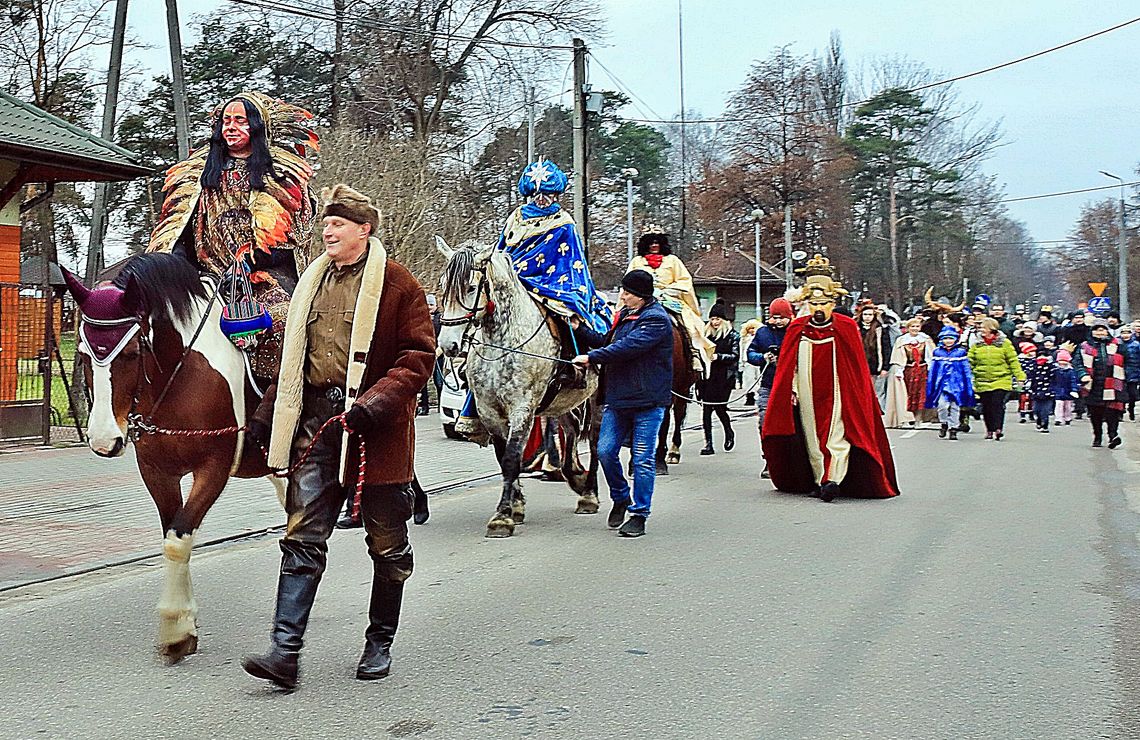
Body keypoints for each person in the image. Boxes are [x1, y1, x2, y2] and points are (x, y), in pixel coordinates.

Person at [242, 184, 435, 689]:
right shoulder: (311, 281)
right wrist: (267, 412)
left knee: (387, 547)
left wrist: (376, 403)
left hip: (378, 434)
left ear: (364, 229)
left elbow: (418, 358)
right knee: (301, 538)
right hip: (317, 429)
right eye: (325, 223)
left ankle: (379, 641)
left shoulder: (399, 284)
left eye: (338, 224)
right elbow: (295, 362)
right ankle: (284, 654)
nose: (327, 230)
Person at [762, 268, 900, 502]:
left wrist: (855, 394)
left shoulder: (845, 327)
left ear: (832, 302)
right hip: (807, 390)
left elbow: (856, 368)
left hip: (837, 390)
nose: (818, 308)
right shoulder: (797, 328)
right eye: (813, 303)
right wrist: (792, 389)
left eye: (824, 303)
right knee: (812, 436)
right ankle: (820, 479)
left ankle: (832, 478)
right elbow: (790, 365)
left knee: (836, 433)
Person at [571, 269, 673, 537]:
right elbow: (607, 341)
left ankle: (639, 514)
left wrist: (592, 358)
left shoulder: (657, 320)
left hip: (647, 402)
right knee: (605, 452)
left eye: (627, 292)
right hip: (618, 400)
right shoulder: (626, 316)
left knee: (642, 460)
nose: (623, 296)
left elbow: (628, 347)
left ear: (640, 295)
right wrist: (579, 329)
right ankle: (620, 496)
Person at [628, 227, 715, 372]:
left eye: (657, 242)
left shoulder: (673, 261)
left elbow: (685, 280)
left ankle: (694, 354)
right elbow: (629, 281)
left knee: (688, 324)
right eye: (651, 242)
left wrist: (667, 291)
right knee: (622, 323)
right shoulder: (637, 262)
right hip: (642, 300)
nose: (654, 245)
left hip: (668, 299)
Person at [747, 297, 793, 479]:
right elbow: (750, 353)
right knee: (765, 422)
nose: (779, 321)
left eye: (782, 317)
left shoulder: (795, 332)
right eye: (775, 317)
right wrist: (762, 357)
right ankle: (769, 459)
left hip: (791, 386)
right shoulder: (763, 333)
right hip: (768, 384)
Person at [968, 317, 1025, 441]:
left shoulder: (1005, 343)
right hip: (982, 379)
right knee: (986, 406)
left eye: (983, 328)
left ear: (991, 329)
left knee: (997, 404)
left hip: (1001, 379)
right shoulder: (976, 344)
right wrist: (967, 375)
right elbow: (970, 361)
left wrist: (1020, 376)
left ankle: (998, 428)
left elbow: (1013, 360)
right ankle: (989, 429)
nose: (981, 330)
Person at [699, 302, 739, 456]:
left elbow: (735, 356)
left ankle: (729, 432)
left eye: (717, 319)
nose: (714, 323)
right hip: (707, 376)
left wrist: (718, 357)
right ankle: (708, 443)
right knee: (706, 409)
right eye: (712, 319)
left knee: (720, 408)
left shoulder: (732, 335)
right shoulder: (706, 335)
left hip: (724, 376)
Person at [1078, 318, 1125, 449]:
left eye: (1102, 329)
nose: (1100, 332)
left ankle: (1113, 436)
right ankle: (1097, 436)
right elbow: (1078, 363)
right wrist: (1083, 375)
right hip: (1093, 385)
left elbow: (1128, 361)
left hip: (1113, 384)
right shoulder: (1085, 346)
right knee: (1096, 413)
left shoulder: (1118, 345)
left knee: (1113, 411)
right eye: (1097, 330)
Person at [925, 326, 974, 440]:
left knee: (955, 407)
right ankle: (944, 423)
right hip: (941, 385)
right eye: (945, 338)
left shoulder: (960, 352)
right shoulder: (937, 352)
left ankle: (953, 428)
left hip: (957, 384)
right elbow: (933, 370)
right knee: (942, 405)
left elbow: (965, 369)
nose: (948, 341)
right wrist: (931, 384)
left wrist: (968, 383)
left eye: (951, 338)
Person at [885, 317, 933, 428]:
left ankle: (919, 419)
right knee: (907, 395)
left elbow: (930, 356)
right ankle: (907, 418)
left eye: (917, 326)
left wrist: (931, 369)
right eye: (912, 326)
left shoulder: (925, 339)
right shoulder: (901, 340)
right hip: (908, 370)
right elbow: (898, 357)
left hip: (922, 370)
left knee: (921, 395)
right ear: (908, 328)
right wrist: (899, 370)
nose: (915, 329)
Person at [856, 303, 893, 412]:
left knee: (878, 392)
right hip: (860, 366)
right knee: (862, 391)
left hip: (877, 365)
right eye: (865, 314)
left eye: (870, 315)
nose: (867, 317)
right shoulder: (856, 328)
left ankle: (878, 413)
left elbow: (886, 348)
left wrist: (885, 367)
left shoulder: (880, 329)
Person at [1026, 343, 1058, 432]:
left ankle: (1045, 425)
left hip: (1049, 391)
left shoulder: (1052, 367)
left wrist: (1054, 389)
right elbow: (1029, 376)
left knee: (1045, 410)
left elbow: (1055, 378)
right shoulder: (1033, 366)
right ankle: (1039, 420)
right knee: (1036, 409)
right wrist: (1028, 385)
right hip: (1036, 391)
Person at [738, 318, 763, 406]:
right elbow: (741, 351)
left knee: (759, 379)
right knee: (748, 380)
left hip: (759, 361)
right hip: (747, 362)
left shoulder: (760, 338)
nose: (752, 330)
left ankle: (759, 396)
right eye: (750, 328)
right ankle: (750, 397)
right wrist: (741, 364)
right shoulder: (744, 339)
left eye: (754, 328)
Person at [1052, 349, 1080, 426]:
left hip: (1068, 391)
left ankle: (1068, 418)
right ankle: (1058, 419)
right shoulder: (1055, 370)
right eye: (1061, 360)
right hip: (1058, 391)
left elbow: (1073, 381)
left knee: (1068, 406)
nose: (1062, 362)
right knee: (1059, 405)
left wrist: (1074, 390)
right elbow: (1052, 380)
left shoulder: (1071, 371)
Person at [1118, 325, 1140, 421]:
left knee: (1132, 394)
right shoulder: (1117, 344)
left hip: (1133, 372)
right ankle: (1120, 412)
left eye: (1128, 333)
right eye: (1123, 333)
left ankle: (1131, 409)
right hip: (1120, 372)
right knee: (1120, 393)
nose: (1125, 335)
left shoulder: (1136, 345)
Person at [1016, 342, 1038, 423]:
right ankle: (1022, 414)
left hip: (1033, 381)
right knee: (1023, 397)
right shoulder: (1020, 361)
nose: (1034, 353)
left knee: (1032, 398)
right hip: (1022, 381)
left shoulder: (1035, 361)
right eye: (1032, 351)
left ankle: (1031, 413)